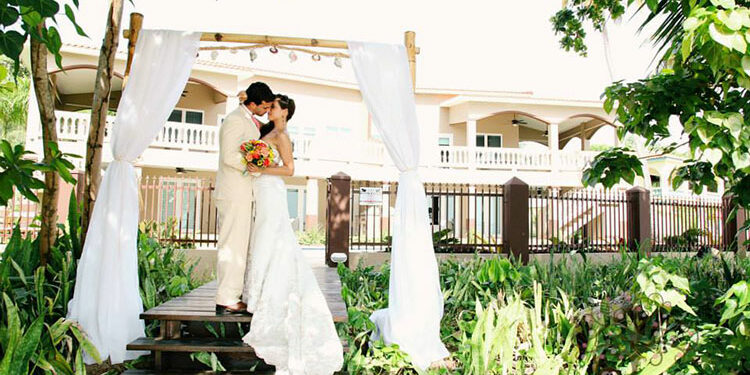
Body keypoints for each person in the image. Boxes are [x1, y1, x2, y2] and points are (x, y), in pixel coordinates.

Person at [242, 94, 344, 374]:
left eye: (273, 106)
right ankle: (257, 288)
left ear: (284, 112)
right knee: (263, 236)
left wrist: (262, 167)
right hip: (261, 188)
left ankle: (264, 291)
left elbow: (289, 169)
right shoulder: (268, 131)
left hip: (272, 188)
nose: (269, 109)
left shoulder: (283, 135)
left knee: (272, 235)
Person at [214, 81, 274, 314]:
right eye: (265, 106)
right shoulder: (234, 120)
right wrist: (254, 166)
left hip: (243, 193)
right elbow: (229, 155)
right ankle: (226, 297)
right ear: (254, 103)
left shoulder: (247, 119)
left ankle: (232, 294)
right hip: (233, 193)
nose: (266, 111)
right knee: (232, 245)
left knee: (240, 246)